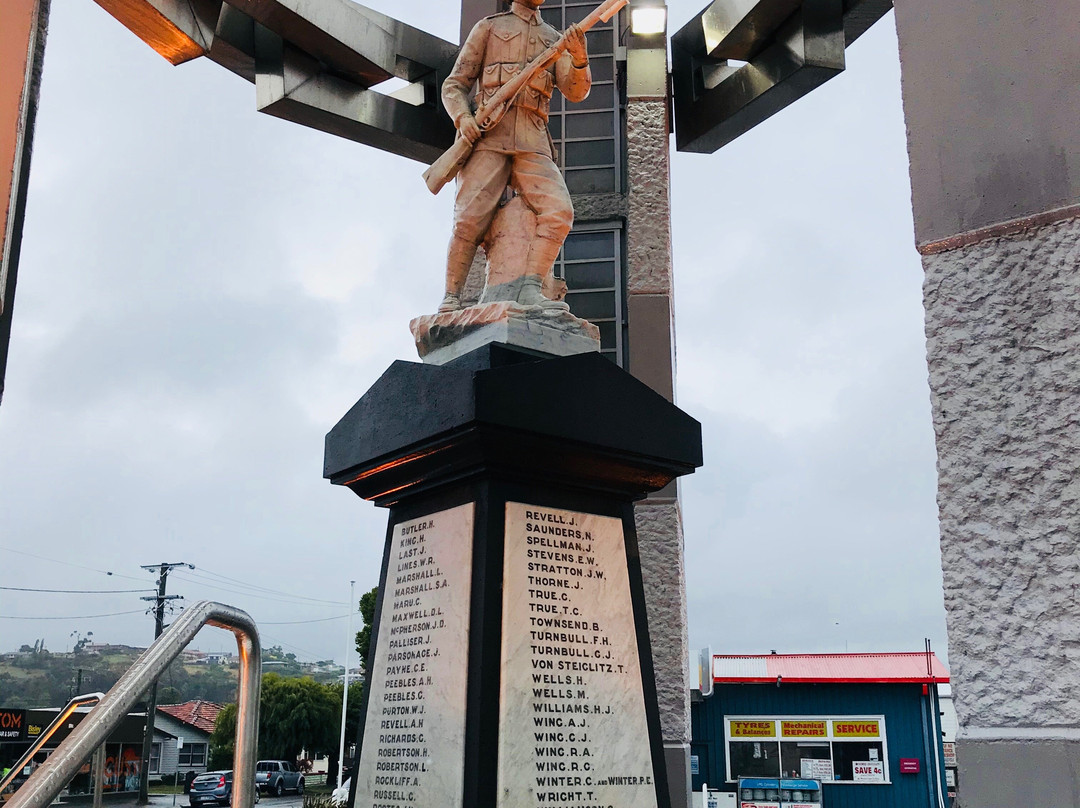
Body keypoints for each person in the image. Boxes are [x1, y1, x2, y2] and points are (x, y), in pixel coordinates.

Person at [438, 0, 591, 313]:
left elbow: (576, 92)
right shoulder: (490, 27)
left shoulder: (553, 37)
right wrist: (463, 118)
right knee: (469, 219)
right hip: (489, 136)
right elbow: (455, 84)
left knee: (559, 211)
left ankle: (532, 289)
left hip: (532, 137)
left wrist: (578, 58)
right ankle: (451, 298)